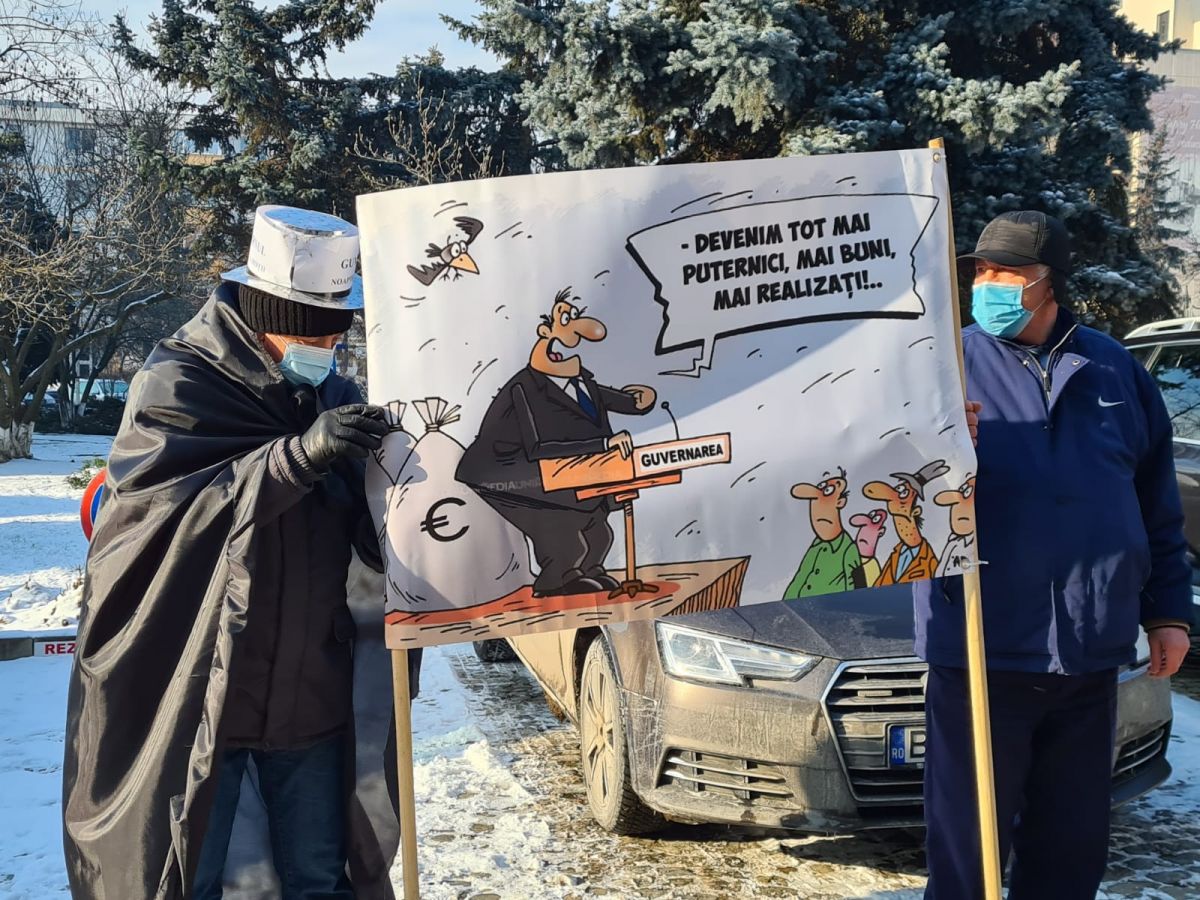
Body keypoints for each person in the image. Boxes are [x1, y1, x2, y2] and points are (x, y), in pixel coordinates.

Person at [62, 205, 419, 899]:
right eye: (310, 332)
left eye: (336, 332)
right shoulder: (179, 384)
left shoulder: (334, 395)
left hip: (312, 707)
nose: (326, 347)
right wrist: (292, 461)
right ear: (264, 316)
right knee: (185, 876)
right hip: (200, 706)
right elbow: (160, 519)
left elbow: (361, 536)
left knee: (320, 879)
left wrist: (394, 512)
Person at [914, 210, 1193, 899]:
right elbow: (887, 493)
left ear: (1050, 283)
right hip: (981, 652)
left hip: (1089, 656)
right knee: (968, 857)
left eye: (1007, 272)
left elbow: (1155, 504)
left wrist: (1167, 613)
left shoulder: (1115, 369)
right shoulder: (942, 365)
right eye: (981, 270)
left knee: (1070, 852)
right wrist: (935, 450)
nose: (988, 283)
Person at [456, 287, 656, 597]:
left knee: (598, 530)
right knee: (562, 527)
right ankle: (557, 580)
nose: (577, 325)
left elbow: (609, 400)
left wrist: (639, 401)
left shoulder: (579, 380)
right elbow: (538, 448)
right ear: (545, 331)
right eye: (565, 317)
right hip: (506, 473)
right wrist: (604, 446)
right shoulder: (526, 388)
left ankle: (589, 571)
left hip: (562, 469)